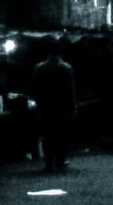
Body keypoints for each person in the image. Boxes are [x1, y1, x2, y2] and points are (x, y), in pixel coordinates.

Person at [29, 38, 78, 172]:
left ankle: (49, 162)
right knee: (61, 133)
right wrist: (73, 106)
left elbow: (34, 88)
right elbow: (70, 89)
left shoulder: (39, 68)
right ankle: (60, 160)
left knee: (47, 135)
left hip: (45, 106)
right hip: (62, 106)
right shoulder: (66, 68)